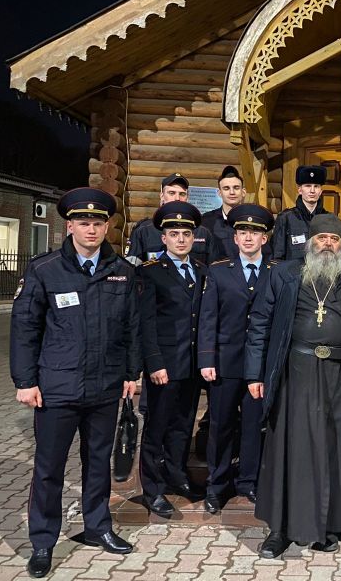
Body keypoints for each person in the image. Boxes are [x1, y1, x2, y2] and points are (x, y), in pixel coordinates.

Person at [11, 187, 139, 578]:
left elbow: (131, 328)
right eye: (83, 222)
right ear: (70, 226)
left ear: (107, 226)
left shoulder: (122, 271)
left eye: (98, 222)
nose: (91, 229)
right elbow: (25, 327)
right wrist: (25, 381)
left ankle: (97, 527)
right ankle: (43, 542)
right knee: (49, 468)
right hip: (56, 388)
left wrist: (131, 373)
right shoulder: (45, 269)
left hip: (104, 387)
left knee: (97, 464)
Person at [245, 214, 341, 558]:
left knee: (332, 450)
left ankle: (325, 526)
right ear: (310, 242)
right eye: (322, 238)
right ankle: (279, 530)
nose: (327, 244)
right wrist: (255, 374)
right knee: (289, 448)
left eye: (334, 239)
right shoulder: (284, 273)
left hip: (339, 374)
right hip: (295, 372)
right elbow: (260, 322)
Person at [197, 204, 275, 514]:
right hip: (225, 363)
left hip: (260, 366)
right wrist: (206, 359)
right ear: (235, 237)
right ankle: (217, 485)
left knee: (254, 426)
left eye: (255, 232)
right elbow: (208, 318)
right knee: (221, 425)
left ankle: (248, 481)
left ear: (264, 239)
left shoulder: (276, 271)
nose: (248, 237)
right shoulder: (219, 271)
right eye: (243, 232)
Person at [138, 201, 208, 517]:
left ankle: (176, 476)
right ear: (163, 238)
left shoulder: (201, 271)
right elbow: (146, 322)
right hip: (164, 366)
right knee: (157, 429)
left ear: (194, 238)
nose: (181, 239)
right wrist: (154, 363)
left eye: (186, 234)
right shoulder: (150, 272)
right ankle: (152, 489)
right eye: (174, 234)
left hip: (190, 365)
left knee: (182, 425)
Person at [125, 172, 217, 265]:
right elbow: (131, 268)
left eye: (182, 194)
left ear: (187, 198)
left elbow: (213, 270)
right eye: (171, 193)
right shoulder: (144, 231)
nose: (177, 198)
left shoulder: (203, 233)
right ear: (162, 196)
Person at [271, 165, 328, 260]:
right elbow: (277, 255)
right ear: (300, 190)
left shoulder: (328, 219)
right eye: (308, 186)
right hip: (292, 269)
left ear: (320, 191)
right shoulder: (286, 218)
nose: (312, 190)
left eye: (316, 186)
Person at [201, 165, 247, 260]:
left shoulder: (253, 220)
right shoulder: (206, 221)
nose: (232, 192)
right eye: (226, 188)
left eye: (236, 188)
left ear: (243, 192)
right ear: (219, 193)